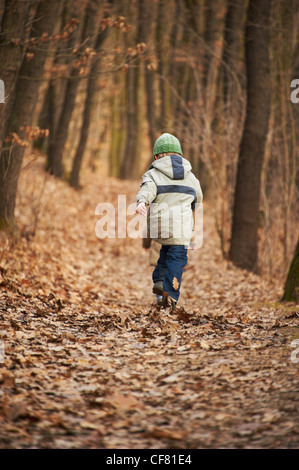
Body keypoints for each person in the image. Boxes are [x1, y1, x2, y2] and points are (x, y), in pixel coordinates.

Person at [136, 133, 203, 312]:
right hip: (181, 228)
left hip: (160, 226)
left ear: (156, 156)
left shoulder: (153, 173)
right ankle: (171, 295)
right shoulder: (190, 176)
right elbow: (199, 197)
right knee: (177, 258)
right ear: (179, 155)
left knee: (164, 251)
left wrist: (142, 201)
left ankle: (159, 281)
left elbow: (147, 188)